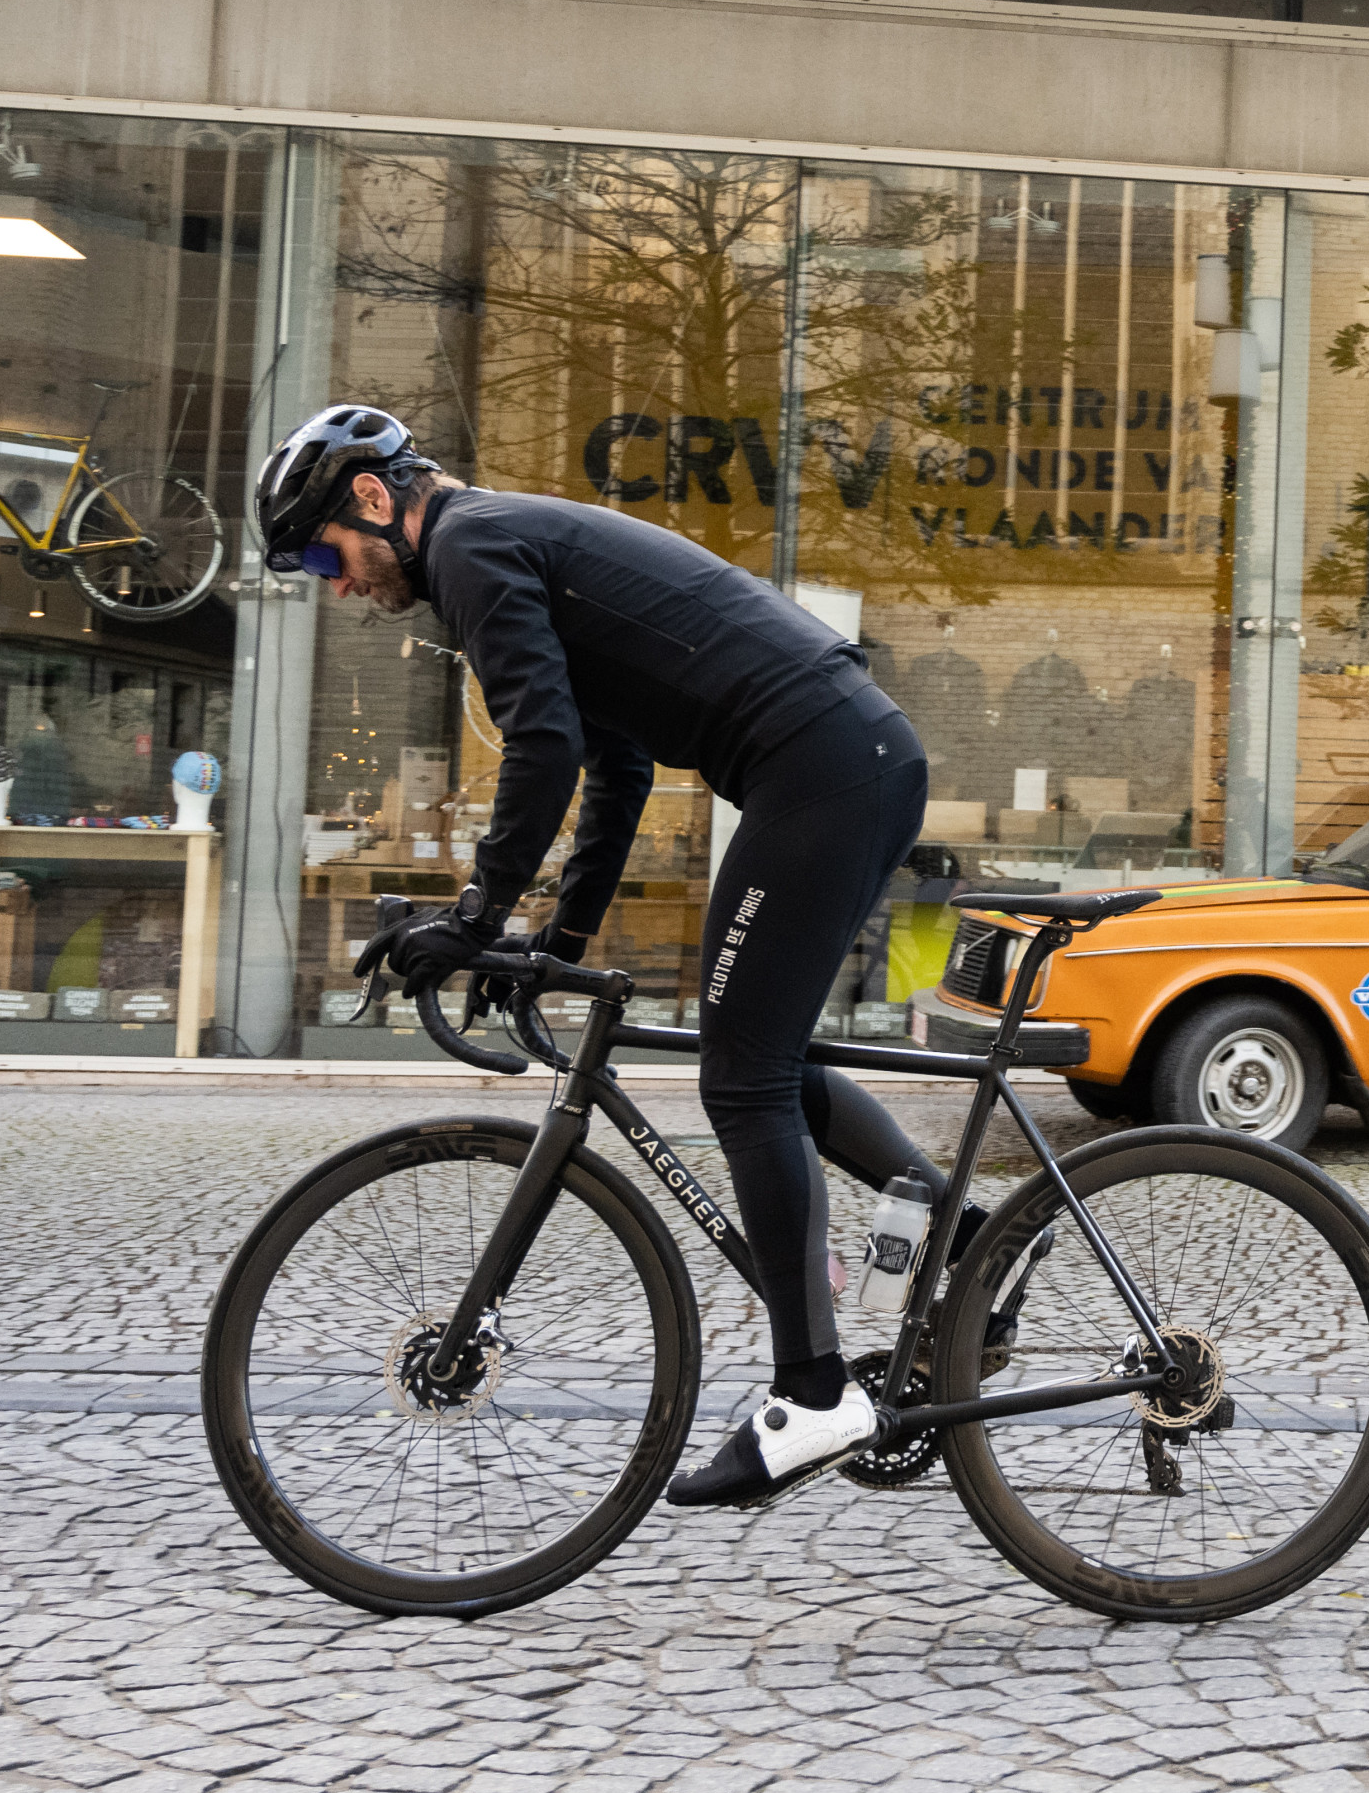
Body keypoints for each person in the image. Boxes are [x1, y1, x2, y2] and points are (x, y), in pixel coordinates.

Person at [255, 402, 932, 1507]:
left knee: (742, 1077)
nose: (337, 584)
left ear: (373, 500)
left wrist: (475, 914)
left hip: (822, 768)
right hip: (841, 759)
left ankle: (813, 1398)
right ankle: (970, 1231)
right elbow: (610, 767)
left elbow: (543, 743)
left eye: (326, 553)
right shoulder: (497, 544)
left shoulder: (469, 547)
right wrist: (553, 939)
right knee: (752, 1049)